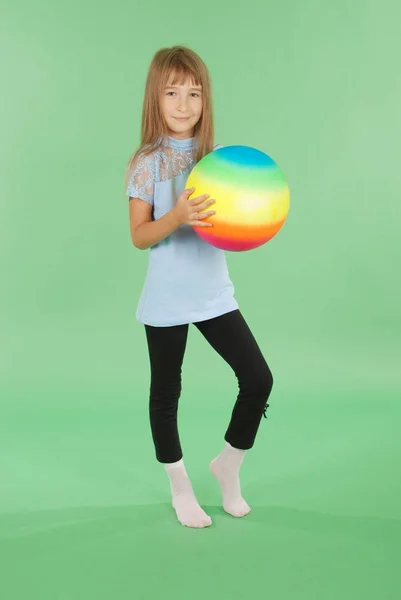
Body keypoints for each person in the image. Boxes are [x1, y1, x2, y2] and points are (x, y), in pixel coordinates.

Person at [125, 45, 273, 529]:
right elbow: (139, 236)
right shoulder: (146, 163)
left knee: (257, 379)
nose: (184, 104)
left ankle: (227, 465)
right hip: (166, 298)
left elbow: (239, 214)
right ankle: (179, 486)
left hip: (213, 294)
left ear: (205, 100)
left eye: (194, 93)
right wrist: (178, 215)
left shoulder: (217, 158)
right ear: (155, 98)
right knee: (166, 393)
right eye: (172, 93)